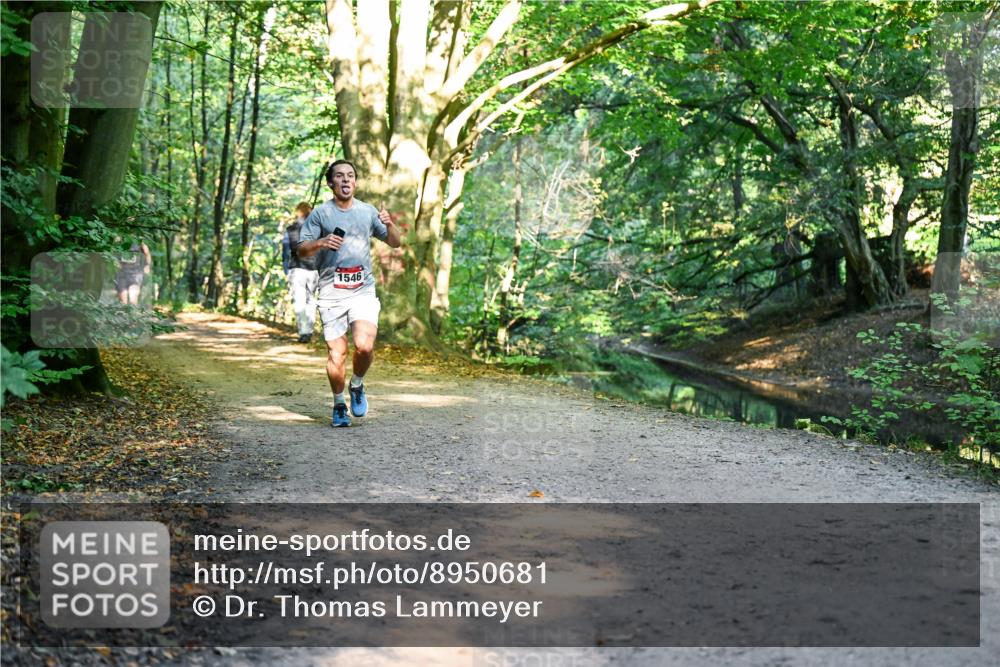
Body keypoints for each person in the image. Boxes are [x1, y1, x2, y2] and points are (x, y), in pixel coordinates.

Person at [296, 160, 402, 427]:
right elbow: (300, 250)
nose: (346, 180)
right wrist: (320, 242)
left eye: (351, 176)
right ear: (331, 183)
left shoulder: (367, 212)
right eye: (340, 176)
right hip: (331, 291)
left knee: (365, 346)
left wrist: (389, 225)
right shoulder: (320, 214)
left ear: (355, 182)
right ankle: (338, 404)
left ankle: (357, 384)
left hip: (362, 289)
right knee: (337, 353)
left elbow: (395, 242)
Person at [282, 202, 319, 343]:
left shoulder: (291, 229)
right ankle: (309, 330)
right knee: (311, 300)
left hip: (296, 268)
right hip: (314, 270)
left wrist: (286, 269)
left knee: (300, 300)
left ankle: (304, 331)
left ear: (298, 213)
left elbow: (285, 251)